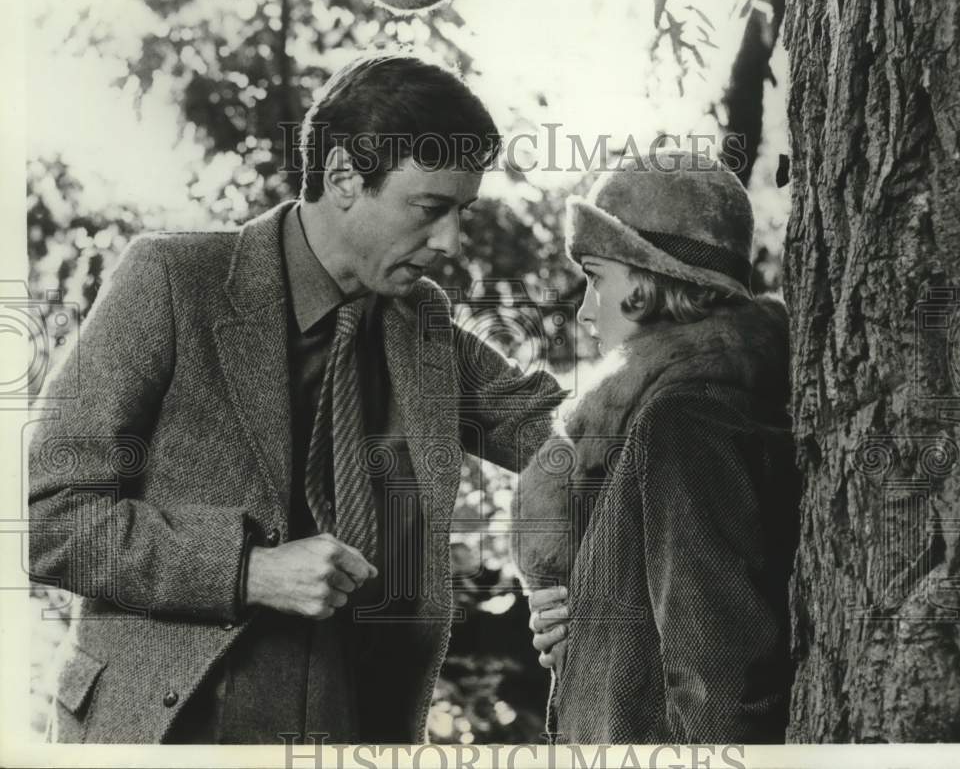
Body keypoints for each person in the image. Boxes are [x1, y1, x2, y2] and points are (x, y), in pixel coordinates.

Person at [29, 53, 564, 744]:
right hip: (169, 730)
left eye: (462, 212)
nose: (451, 242)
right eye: (431, 209)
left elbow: (556, 437)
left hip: (352, 730)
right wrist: (247, 571)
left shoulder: (419, 320)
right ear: (343, 175)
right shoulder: (172, 280)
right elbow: (47, 518)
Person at [514, 149, 800, 744]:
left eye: (595, 279)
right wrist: (582, 633)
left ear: (644, 282)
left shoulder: (683, 420)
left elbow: (721, 687)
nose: (585, 309)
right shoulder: (657, 414)